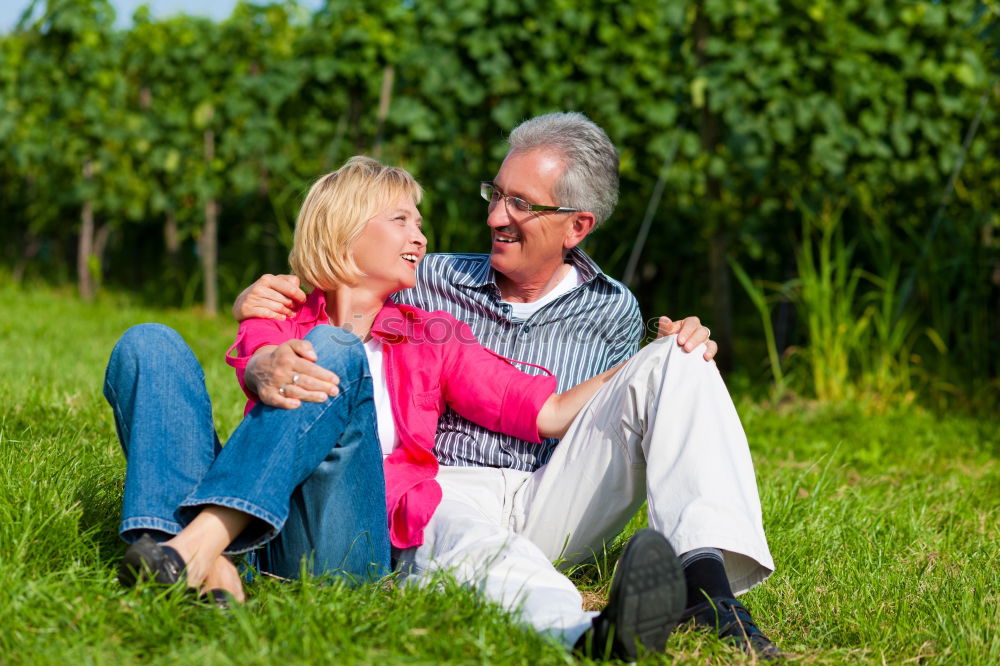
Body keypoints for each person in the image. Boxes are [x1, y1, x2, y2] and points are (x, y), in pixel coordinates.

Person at [235, 113, 779, 658]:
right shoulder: (428, 277)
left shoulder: (613, 309)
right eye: (496, 195)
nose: (496, 215)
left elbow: (554, 410)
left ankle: (707, 586)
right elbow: (342, 279)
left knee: (684, 357)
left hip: (555, 492)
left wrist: (661, 355)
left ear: (576, 227)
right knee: (473, 538)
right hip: (442, 487)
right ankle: (588, 632)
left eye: (521, 203)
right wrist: (254, 310)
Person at [105, 156, 688, 660]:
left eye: (420, 223)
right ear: (344, 231)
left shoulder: (433, 335)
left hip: (343, 536)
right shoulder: (278, 310)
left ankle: (193, 549)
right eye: (401, 219)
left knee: (334, 353)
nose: (421, 238)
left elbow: (547, 411)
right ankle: (197, 568)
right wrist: (260, 366)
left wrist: (650, 360)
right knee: (146, 343)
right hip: (265, 518)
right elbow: (260, 360)